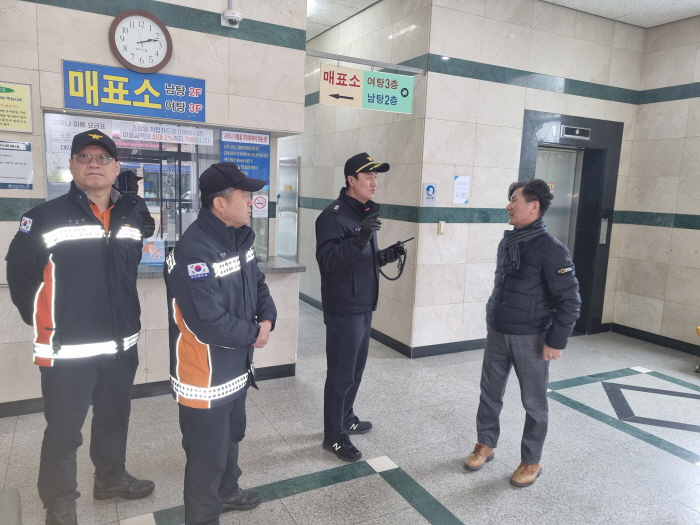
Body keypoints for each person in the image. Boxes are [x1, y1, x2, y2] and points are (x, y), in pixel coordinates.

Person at [5, 130, 156, 525]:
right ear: (71, 165)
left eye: (103, 157)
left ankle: (110, 478)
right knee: (64, 431)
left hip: (121, 346)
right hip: (68, 349)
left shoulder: (131, 213)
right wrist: (46, 321)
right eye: (84, 156)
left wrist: (137, 202)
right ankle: (59, 506)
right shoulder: (43, 217)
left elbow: (135, 254)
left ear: (116, 167)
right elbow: (20, 275)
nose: (94, 163)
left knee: (114, 418)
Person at [164, 162, 276, 525]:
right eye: (245, 195)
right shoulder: (193, 252)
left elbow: (258, 284)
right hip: (204, 378)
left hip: (235, 369)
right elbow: (207, 323)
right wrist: (254, 334)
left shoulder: (240, 238)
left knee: (231, 438)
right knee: (206, 460)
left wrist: (267, 318)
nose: (251, 201)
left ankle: (228, 492)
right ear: (220, 203)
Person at [464, 178, 581, 487]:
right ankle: (485, 444)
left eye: (514, 200)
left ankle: (531, 461)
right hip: (499, 332)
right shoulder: (509, 242)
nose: (508, 206)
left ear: (534, 206)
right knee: (490, 393)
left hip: (531, 337)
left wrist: (556, 339)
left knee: (534, 403)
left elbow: (570, 301)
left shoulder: (552, 250)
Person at [315, 152, 407, 462]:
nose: (374, 181)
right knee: (341, 374)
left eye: (376, 176)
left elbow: (356, 262)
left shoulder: (362, 214)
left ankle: (346, 417)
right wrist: (362, 236)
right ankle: (333, 436)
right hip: (344, 308)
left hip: (363, 305)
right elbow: (328, 262)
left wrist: (384, 256)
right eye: (368, 176)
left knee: (355, 371)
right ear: (351, 180)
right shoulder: (333, 217)